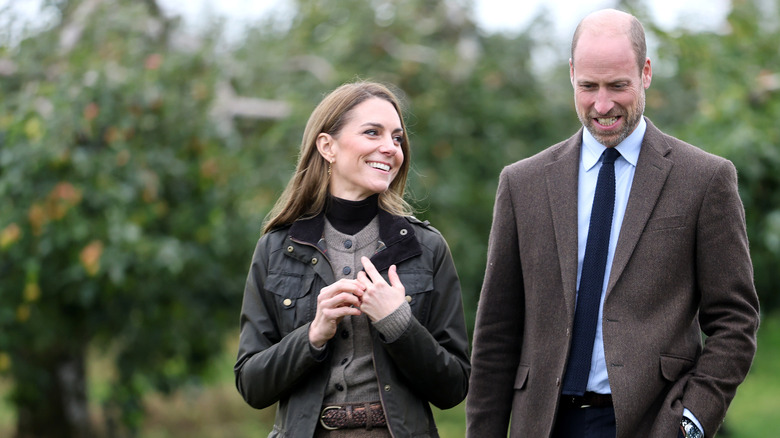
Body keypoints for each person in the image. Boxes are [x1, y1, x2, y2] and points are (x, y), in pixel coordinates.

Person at [466, 9, 759, 438]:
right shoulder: (521, 184)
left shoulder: (705, 179)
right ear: (571, 75)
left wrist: (691, 421)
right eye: (588, 86)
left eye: (618, 86)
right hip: (542, 424)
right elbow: (496, 332)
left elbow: (736, 319)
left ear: (645, 73)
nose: (602, 105)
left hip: (651, 423)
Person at [234, 81, 470, 438]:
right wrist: (312, 335)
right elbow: (251, 385)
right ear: (327, 146)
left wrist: (399, 324)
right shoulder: (276, 249)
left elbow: (454, 387)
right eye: (372, 133)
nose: (390, 148)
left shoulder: (427, 248)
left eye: (396, 138)